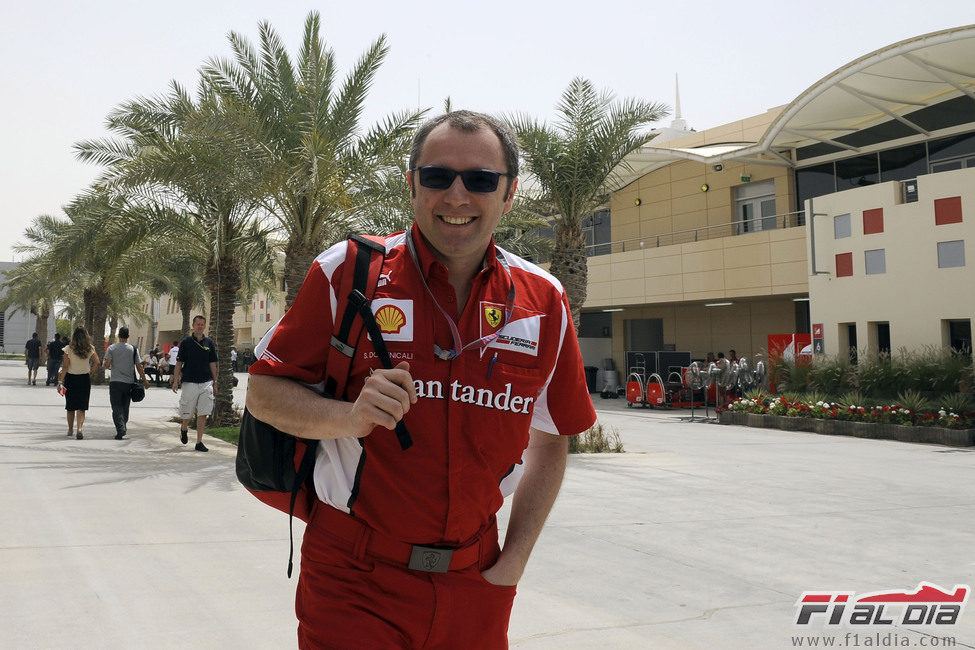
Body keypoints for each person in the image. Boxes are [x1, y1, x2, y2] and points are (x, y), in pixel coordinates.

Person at [246, 110, 596, 648]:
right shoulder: (348, 272)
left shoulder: (543, 300)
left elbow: (553, 439)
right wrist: (348, 416)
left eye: (480, 180)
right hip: (353, 577)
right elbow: (264, 392)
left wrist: (513, 563)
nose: (457, 196)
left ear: (509, 194)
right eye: (437, 177)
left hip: (476, 582)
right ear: (412, 186)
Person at [172, 315, 218, 452]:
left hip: (206, 382)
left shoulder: (209, 343)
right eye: (198, 324)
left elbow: (213, 364)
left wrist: (215, 382)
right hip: (189, 381)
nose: (200, 326)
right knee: (188, 413)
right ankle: (184, 427)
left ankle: (199, 442)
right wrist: (175, 381)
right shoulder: (186, 342)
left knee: (203, 413)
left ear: (205, 326)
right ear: (193, 325)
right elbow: (179, 363)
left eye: (202, 324)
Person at [103, 327, 150, 440]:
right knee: (125, 406)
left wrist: (109, 364)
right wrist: (145, 381)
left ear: (119, 336)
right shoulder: (133, 349)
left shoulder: (112, 348)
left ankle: (121, 428)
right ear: (128, 336)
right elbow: (139, 367)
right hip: (128, 383)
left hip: (115, 382)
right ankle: (123, 425)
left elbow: (107, 364)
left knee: (116, 406)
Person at [58, 326, 100, 439]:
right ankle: (80, 429)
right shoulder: (90, 348)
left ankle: (70, 429)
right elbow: (97, 362)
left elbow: (65, 367)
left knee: (70, 406)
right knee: (82, 406)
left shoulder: (68, 349)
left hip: (71, 379)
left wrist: (60, 381)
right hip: (84, 379)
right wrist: (90, 373)